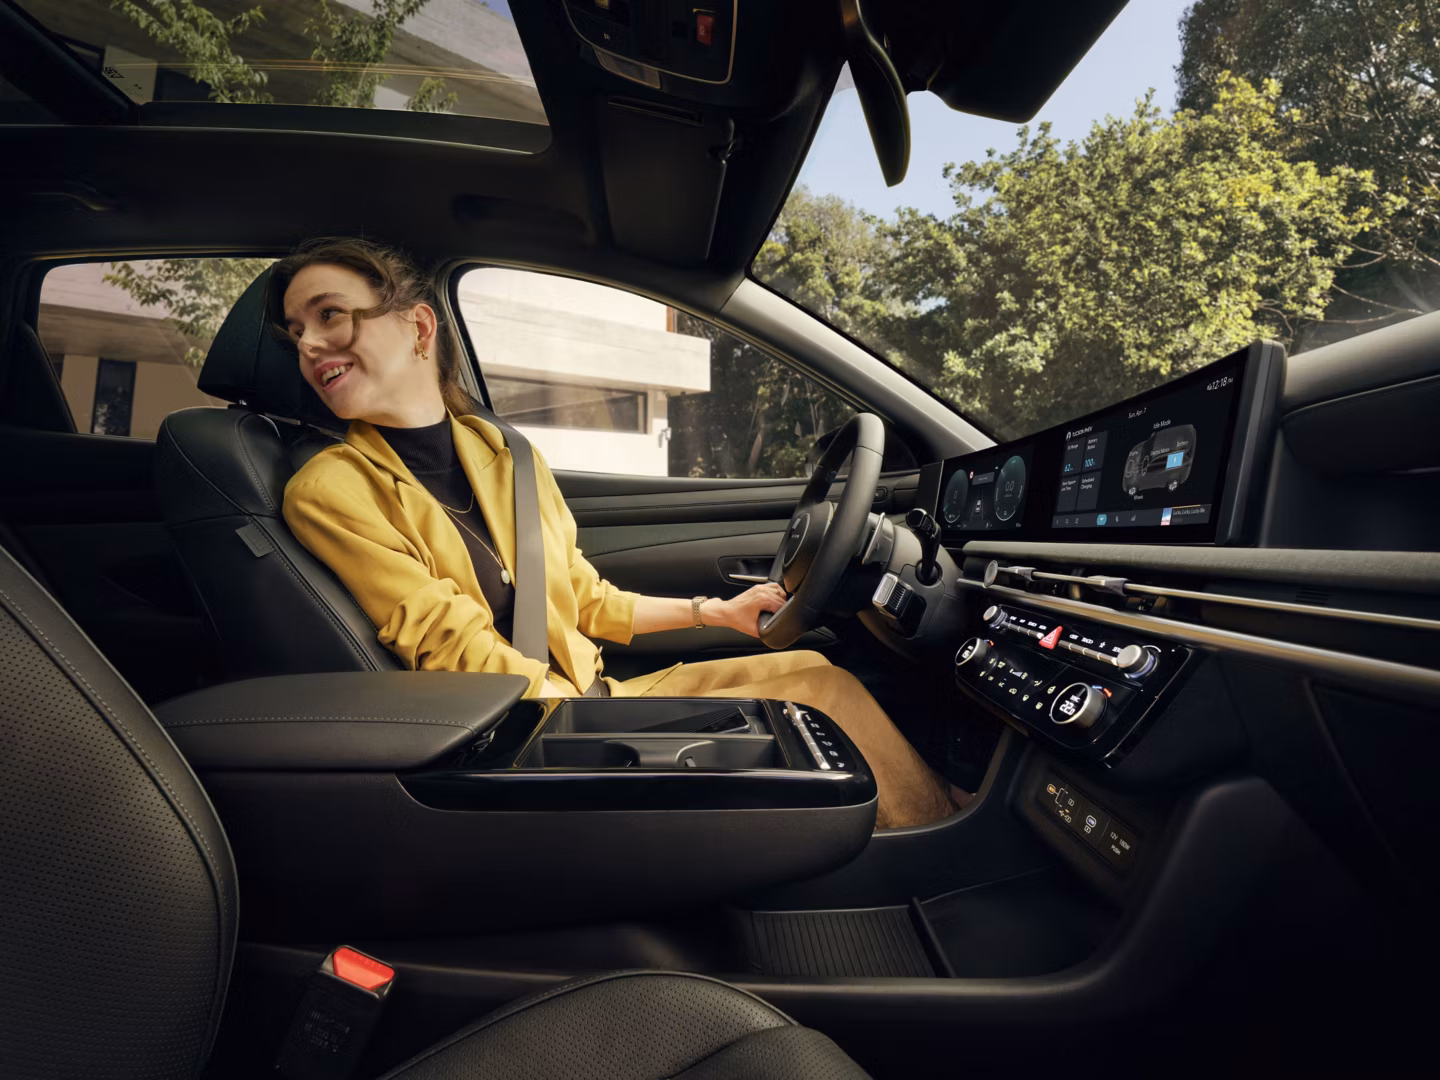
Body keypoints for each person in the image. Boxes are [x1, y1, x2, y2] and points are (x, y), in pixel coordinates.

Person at [275, 238, 957, 828]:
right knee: (818, 699)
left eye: (329, 314)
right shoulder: (331, 489)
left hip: (599, 697)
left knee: (817, 673)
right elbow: (445, 644)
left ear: (418, 326)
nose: (307, 344)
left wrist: (714, 611)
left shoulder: (502, 452)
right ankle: (940, 852)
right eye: (295, 330)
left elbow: (583, 594)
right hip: (525, 728)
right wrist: (583, 720)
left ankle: (931, 822)